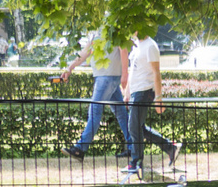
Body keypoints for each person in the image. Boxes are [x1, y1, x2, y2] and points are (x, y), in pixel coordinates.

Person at [59, 30, 130, 161]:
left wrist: (125, 73)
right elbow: (86, 51)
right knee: (121, 113)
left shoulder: (111, 23)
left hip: (107, 77)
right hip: (105, 76)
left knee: (95, 110)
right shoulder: (95, 29)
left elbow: (123, 48)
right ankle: (135, 147)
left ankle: (80, 149)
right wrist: (70, 68)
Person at [121, 30, 180, 176]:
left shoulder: (150, 46)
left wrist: (158, 98)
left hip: (144, 92)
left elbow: (156, 72)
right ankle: (170, 148)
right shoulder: (136, 45)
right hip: (135, 92)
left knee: (133, 127)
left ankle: (135, 163)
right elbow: (133, 71)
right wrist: (127, 93)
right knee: (140, 128)